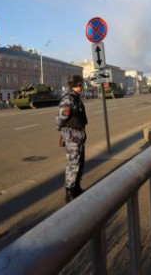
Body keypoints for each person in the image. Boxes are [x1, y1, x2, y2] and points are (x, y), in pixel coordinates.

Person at [56, 74, 88, 203]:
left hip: (78, 135)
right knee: (73, 163)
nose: (83, 86)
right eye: (82, 84)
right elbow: (61, 117)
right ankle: (69, 192)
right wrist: (61, 129)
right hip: (72, 135)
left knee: (79, 162)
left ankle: (76, 188)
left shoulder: (75, 97)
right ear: (78, 85)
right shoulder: (68, 99)